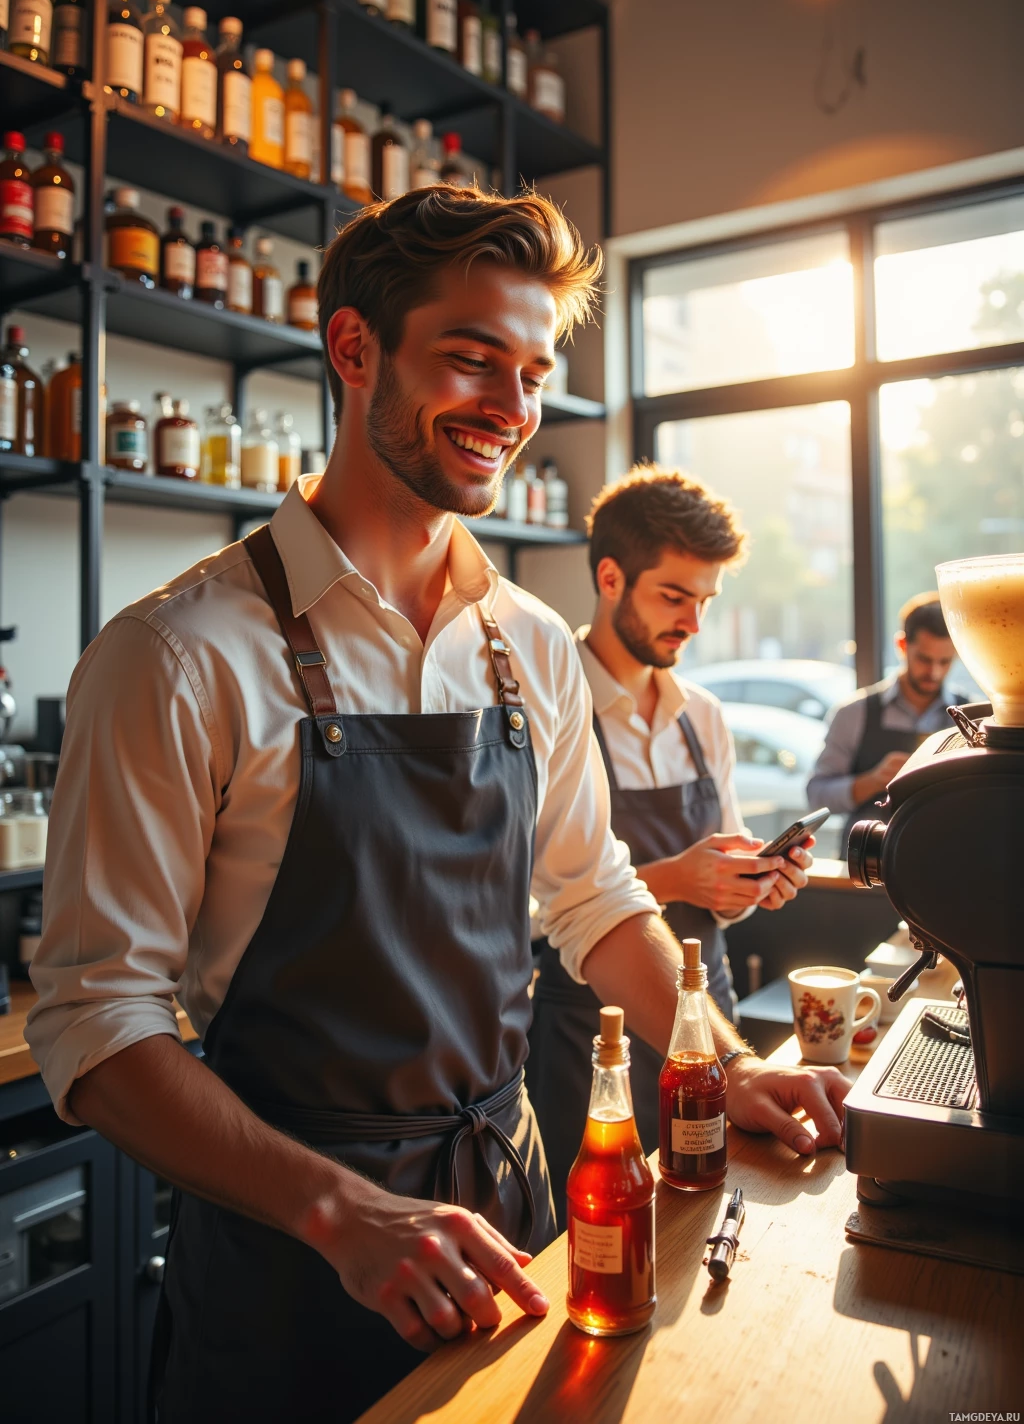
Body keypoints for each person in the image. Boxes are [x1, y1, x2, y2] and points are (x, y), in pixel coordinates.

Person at [26, 185, 850, 1424]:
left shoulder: (526, 645)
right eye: (474, 363)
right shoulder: (179, 655)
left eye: (531, 373)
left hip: (513, 1207)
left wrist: (713, 1065)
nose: (513, 412)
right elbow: (97, 1028)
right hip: (293, 1255)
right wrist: (340, 1213)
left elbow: (594, 896)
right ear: (353, 348)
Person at [526, 464, 817, 1204]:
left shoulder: (704, 716)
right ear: (611, 577)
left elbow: (721, 894)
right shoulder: (548, 712)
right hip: (590, 1038)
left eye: (705, 601)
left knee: (708, 1208)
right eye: (674, 596)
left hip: (707, 1011)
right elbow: (520, 908)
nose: (692, 621)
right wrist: (677, 879)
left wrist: (751, 883)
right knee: (599, 1227)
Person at [807, 591, 964, 849]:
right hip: (866, 866)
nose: (934, 673)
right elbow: (816, 796)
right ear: (902, 646)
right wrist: (873, 780)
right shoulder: (853, 714)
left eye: (944, 662)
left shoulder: (970, 717)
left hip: (944, 861)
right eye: (924, 659)